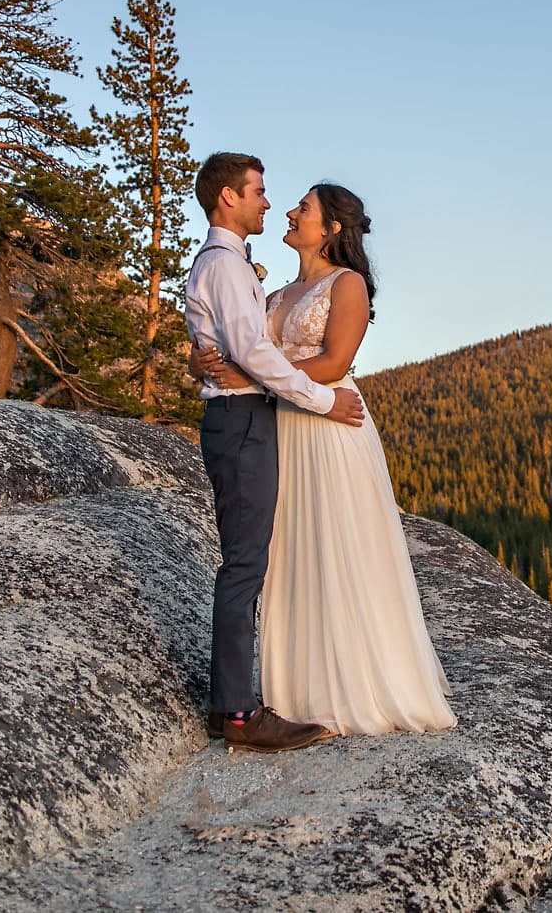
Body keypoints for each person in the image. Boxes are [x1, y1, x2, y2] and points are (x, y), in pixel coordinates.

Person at [194, 182, 456, 736]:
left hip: (330, 430)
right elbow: (241, 345)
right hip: (280, 428)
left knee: (342, 549)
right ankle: (301, 686)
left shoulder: (348, 284)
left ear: (332, 228)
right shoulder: (277, 294)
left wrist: (253, 377)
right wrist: (208, 361)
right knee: (291, 555)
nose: (289, 211)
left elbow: (336, 362)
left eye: (303, 208)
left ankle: (360, 681)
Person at [184, 152, 365, 753]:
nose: (271, 202)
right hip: (246, 422)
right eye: (259, 191)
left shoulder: (233, 266)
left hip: (262, 420)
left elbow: (243, 351)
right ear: (228, 199)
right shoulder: (229, 268)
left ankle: (249, 699)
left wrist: (210, 361)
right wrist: (320, 399)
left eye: (284, 199)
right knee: (245, 565)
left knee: (260, 559)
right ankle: (236, 712)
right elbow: (255, 357)